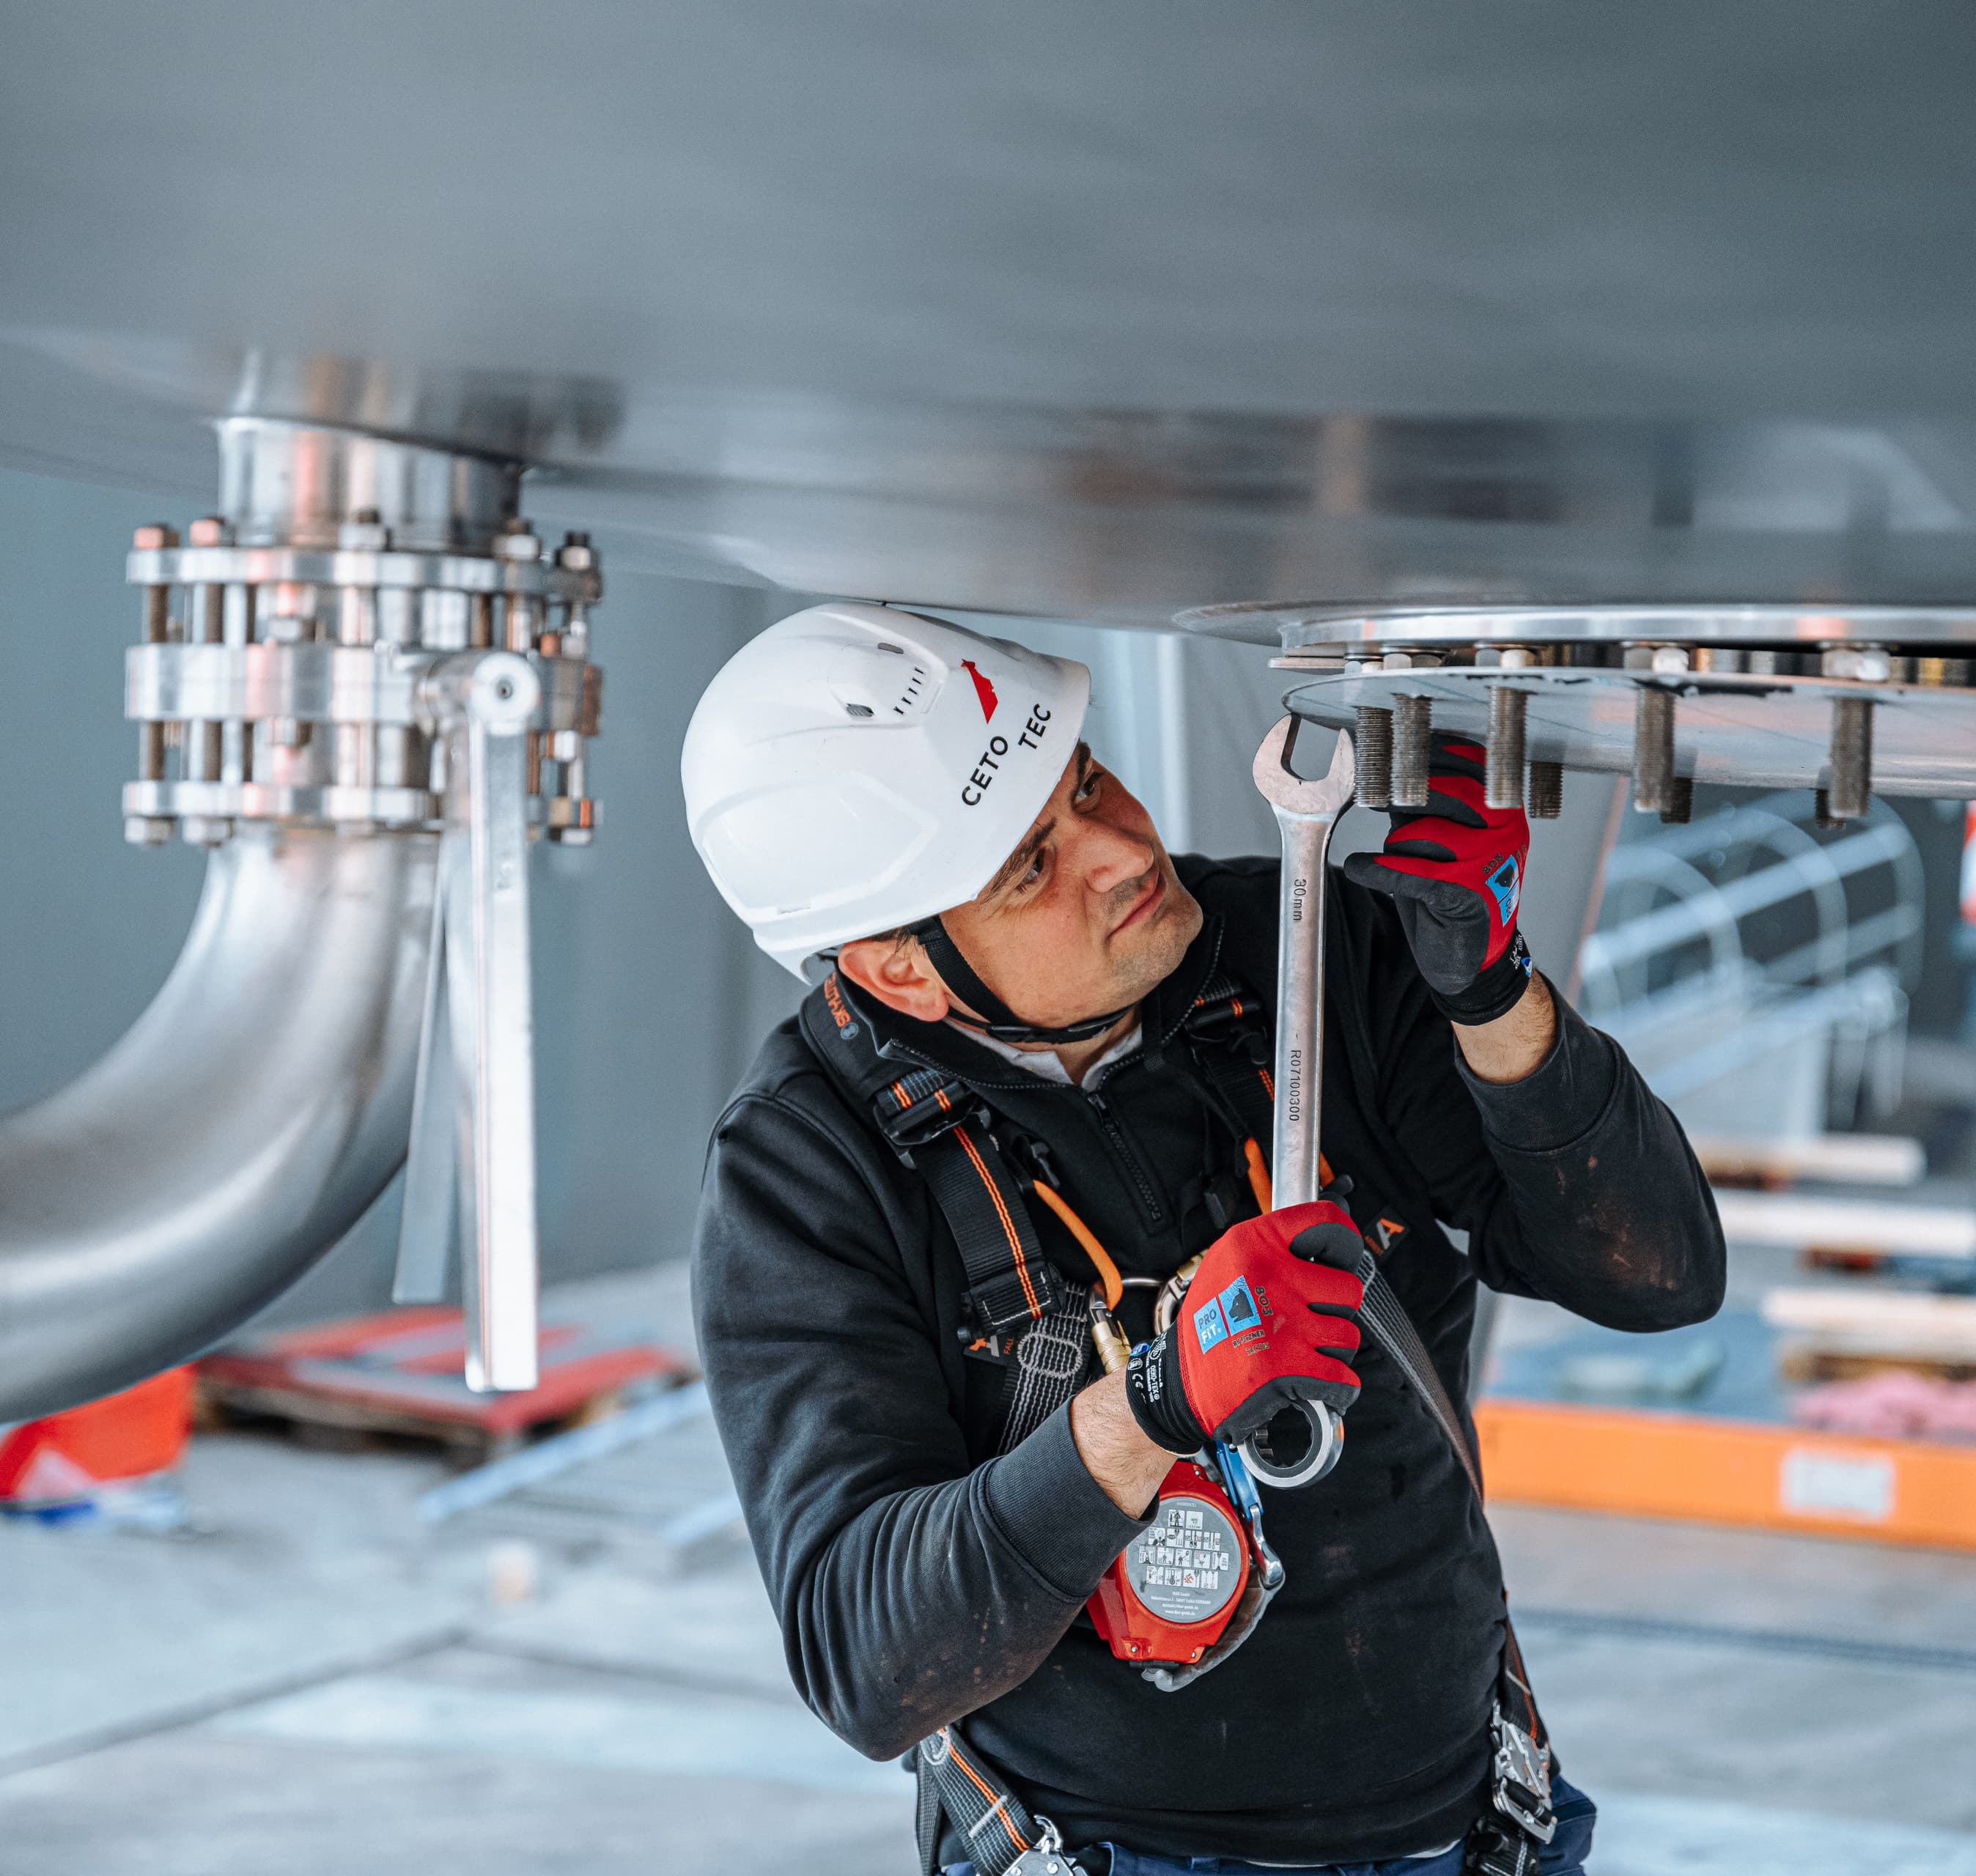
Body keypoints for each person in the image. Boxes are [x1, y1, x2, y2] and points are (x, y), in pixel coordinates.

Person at [682, 604, 1725, 1876]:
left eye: (1088, 784)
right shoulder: (809, 1164)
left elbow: (1660, 1272)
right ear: (902, 972)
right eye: (1030, 867)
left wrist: (1492, 994)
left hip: (1473, 1824)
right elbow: (870, 1661)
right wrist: (1153, 1408)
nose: (1122, 848)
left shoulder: (1306, 951)